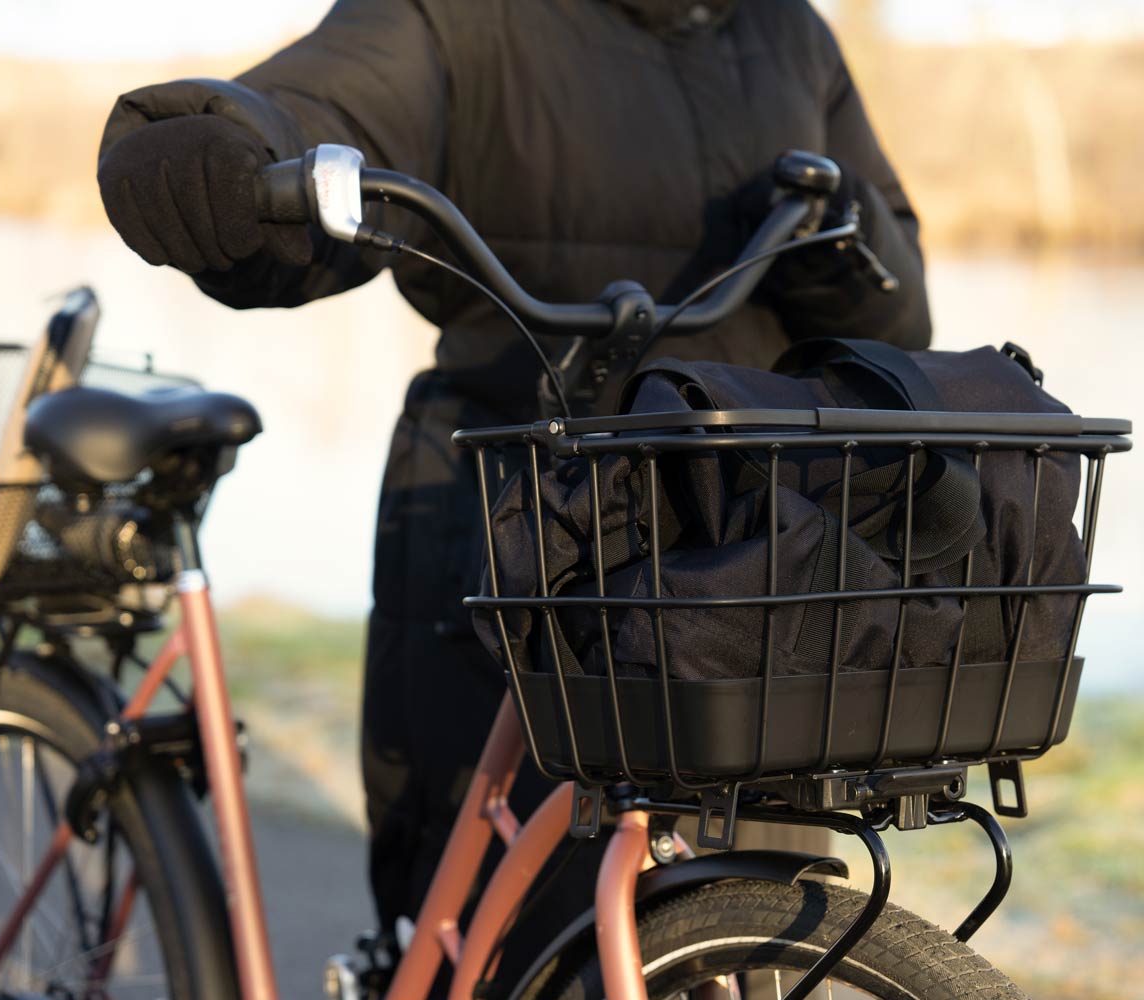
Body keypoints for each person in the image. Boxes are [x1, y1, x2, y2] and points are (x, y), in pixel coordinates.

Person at [96, 0, 931, 987]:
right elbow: (335, 109)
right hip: (519, 533)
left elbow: (901, 306)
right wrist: (228, 151)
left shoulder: (788, 30)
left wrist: (844, 232)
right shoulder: (463, 14)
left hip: (748, 571)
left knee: (736, 946)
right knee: (504, 949)